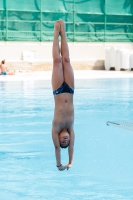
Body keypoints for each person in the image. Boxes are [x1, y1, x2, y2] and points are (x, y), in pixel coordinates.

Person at [52, 20, 75, 171]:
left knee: (57, 61)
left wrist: (60, 164)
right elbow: (72, 147)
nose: (66, 141)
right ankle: (64, 32)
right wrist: (71, 162)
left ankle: (56, 32)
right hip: (71, 89)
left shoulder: (56, 127)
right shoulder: (71, 128)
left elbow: (57, 149)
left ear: (59, 139)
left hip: (59, 90)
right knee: (66, 60)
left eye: (63, 142)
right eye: (67, 142)